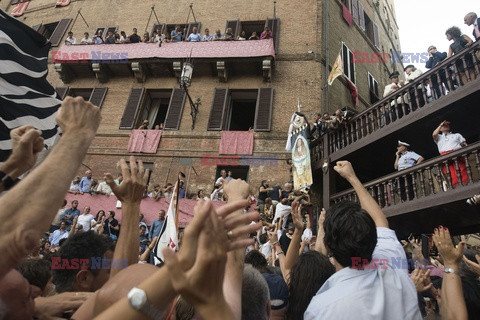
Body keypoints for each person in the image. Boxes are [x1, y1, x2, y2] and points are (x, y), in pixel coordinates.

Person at [304, 161, 421, 319]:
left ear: (328, 246)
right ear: (373, 238)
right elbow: (380, 221)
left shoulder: (321, 309)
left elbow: (379, 223)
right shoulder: (395, 271)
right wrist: (352, 177)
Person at [432, 120, 468, 188]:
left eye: (447, 125)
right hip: (445, 157)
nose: (445, 126)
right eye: (443, 126)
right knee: (450, 173)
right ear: (440, 128)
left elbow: (465, 144)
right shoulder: (439, 137)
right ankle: (456, 188)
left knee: (462, 170)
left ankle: (466, 185)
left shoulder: (456, 135)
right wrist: (441, 124)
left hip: (458, 154)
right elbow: (434, 134)